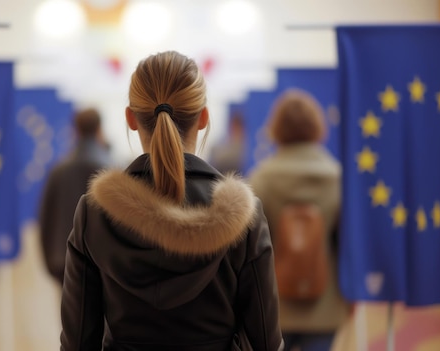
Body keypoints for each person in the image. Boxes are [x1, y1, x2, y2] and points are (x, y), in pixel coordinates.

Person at [60, 51, 283, 351]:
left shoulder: (94, 213)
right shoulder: (244, 214)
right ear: (204, 118)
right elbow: (266, 342)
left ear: (131, 118)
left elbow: (77, 343)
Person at [248, 89, 350, 351]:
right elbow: (349, 246)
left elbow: (248, 247)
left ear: (276, 127)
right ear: (317, 126)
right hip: (325, 306)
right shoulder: (339, 178)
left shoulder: (260, 179)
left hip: (273, 307)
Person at [38, 107, 112, 284]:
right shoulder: (110, 171)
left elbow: (45, 218)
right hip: (102, 263)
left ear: (75, 130)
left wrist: (50, 260)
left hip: (63, 260)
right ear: (99, 129)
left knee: (68, 310)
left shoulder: (58, 171)